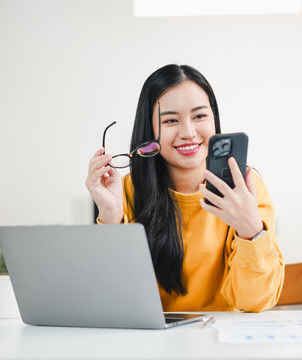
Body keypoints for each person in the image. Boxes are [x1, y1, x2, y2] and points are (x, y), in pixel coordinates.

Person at [86, 64, 284, 312]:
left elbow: (254, 302)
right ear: (150, 130)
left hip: (220, 343)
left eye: (199, 116)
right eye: (170, 120)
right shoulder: (126, 191)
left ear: (214, 120)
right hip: (151, 344)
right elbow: (113, 300)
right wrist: (111, 217)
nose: (188, 133)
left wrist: (251, 230)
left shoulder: (245, 188)